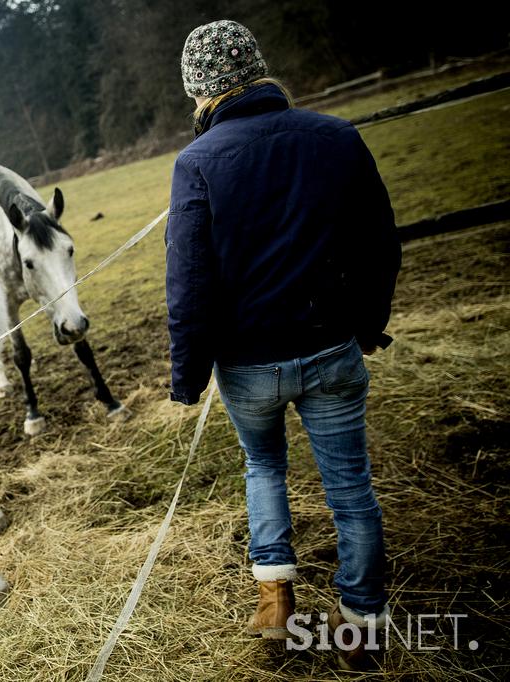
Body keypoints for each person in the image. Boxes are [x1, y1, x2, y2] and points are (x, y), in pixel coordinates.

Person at [164, 19, 401, 670]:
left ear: (201, 92)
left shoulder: (198, 163)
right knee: (351, 487)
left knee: (263, 467)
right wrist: (368, 323)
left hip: (248, 365)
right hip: (331, 349)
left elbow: (189, 282)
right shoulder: (336, 137)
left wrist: (188, 376)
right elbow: (379, 244)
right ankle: (361, 622)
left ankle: (275, 600)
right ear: (260, 70)